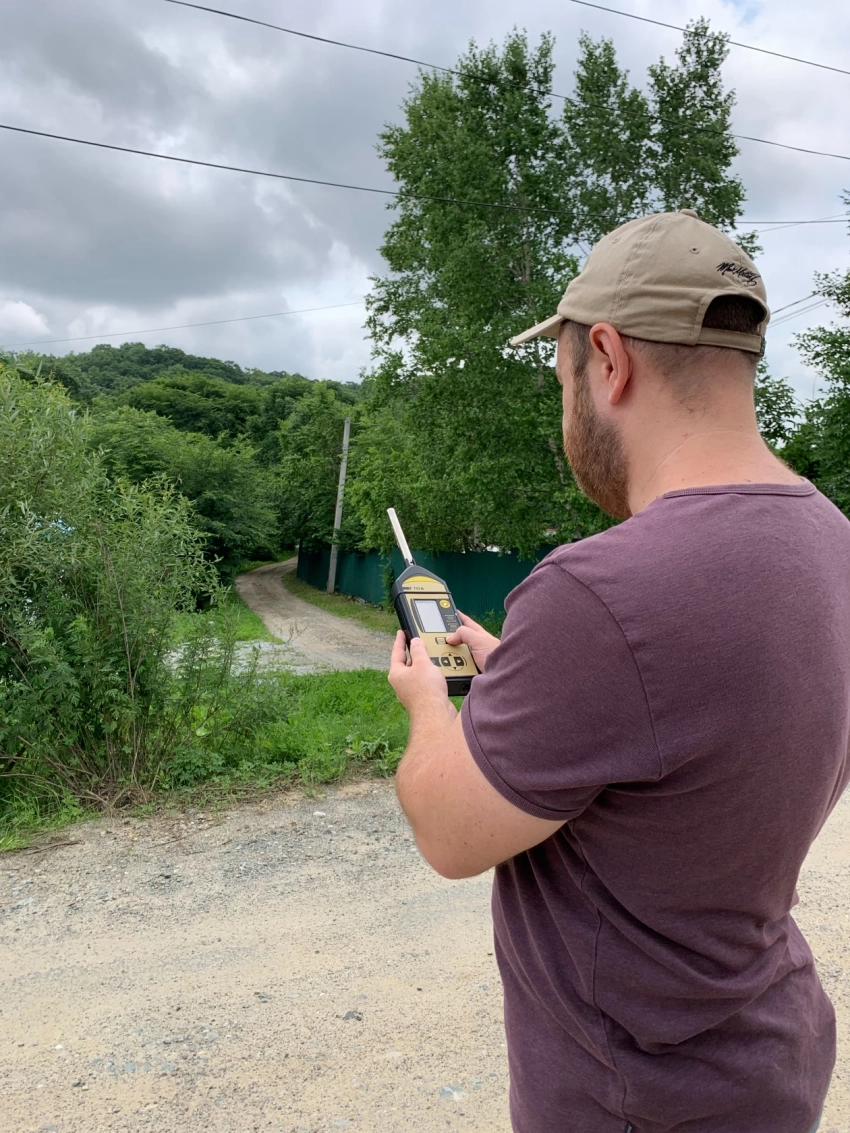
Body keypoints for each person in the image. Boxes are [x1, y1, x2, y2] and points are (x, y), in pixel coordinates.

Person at [387, 209, 850, 1133]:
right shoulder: (832, 542)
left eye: (564, 379)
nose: (567, 407)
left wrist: (429, 704)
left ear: (608, 359)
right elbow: (692, 729)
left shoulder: (598, 591)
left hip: (634, 1099)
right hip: (769, 1065)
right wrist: (537, 680)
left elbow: (448, 832)